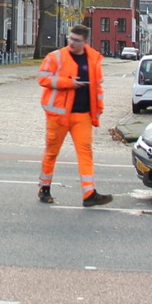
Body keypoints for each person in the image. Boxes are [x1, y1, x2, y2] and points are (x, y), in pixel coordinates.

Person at [36, 24, 111, 207]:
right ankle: (44, 188)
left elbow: (97, 87)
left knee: (85, 153)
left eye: (76, 40)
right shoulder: (55, 57)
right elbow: (43, 78)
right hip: (58, 115)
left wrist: (99, 109)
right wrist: (68, 83)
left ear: (85, 42)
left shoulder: (93, 59)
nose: (72, 43)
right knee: (52, 152)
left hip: (83, 115)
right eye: (70, 38)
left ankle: (89, 193)